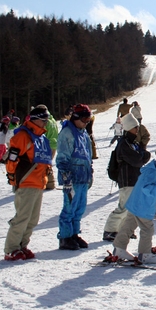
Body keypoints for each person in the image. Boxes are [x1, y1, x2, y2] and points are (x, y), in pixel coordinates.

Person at [3, 106, 53, 261]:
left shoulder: (42, 137)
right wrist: (13, 177)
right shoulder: (23, 136)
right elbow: (12, 159)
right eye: (43, 120)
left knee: (33, 219)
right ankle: (11, 248)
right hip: (26, 181)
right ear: (35, 119)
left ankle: (22, 244)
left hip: (39, 182)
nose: (46, 123)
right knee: (22, 217)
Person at [112, 150, 156, 263]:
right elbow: (147, 189)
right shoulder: (152, 173)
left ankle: (119, 248)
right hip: (143, 206)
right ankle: (145, 254)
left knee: (128, 226)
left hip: (135, 204)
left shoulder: (152, 170)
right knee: (147, 229)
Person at [102, 113, 151, 242]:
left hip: (134, 179)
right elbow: (137, 159)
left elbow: (142, 156)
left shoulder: (132, 143)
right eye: (135, 128)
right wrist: (143, 156)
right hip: (127, 179)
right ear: (129, 128)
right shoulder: (124, 144)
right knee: (124, 207)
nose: (137, 130)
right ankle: (110, 230)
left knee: (131, 208)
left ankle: (123, 230)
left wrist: (143, 155)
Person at [56, 104, 94, 251]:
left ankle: (74, 234)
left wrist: (90, 171)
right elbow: (62, 156)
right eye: (84, 119)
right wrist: (66, 176)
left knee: (80, 207)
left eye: (88, 120)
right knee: (69, 207)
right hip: (72, 177)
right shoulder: (67, 133)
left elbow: (88, 155)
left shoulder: (83, 133)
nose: (86, 123)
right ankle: (65, 236)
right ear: (76, 117)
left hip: (83, 176)